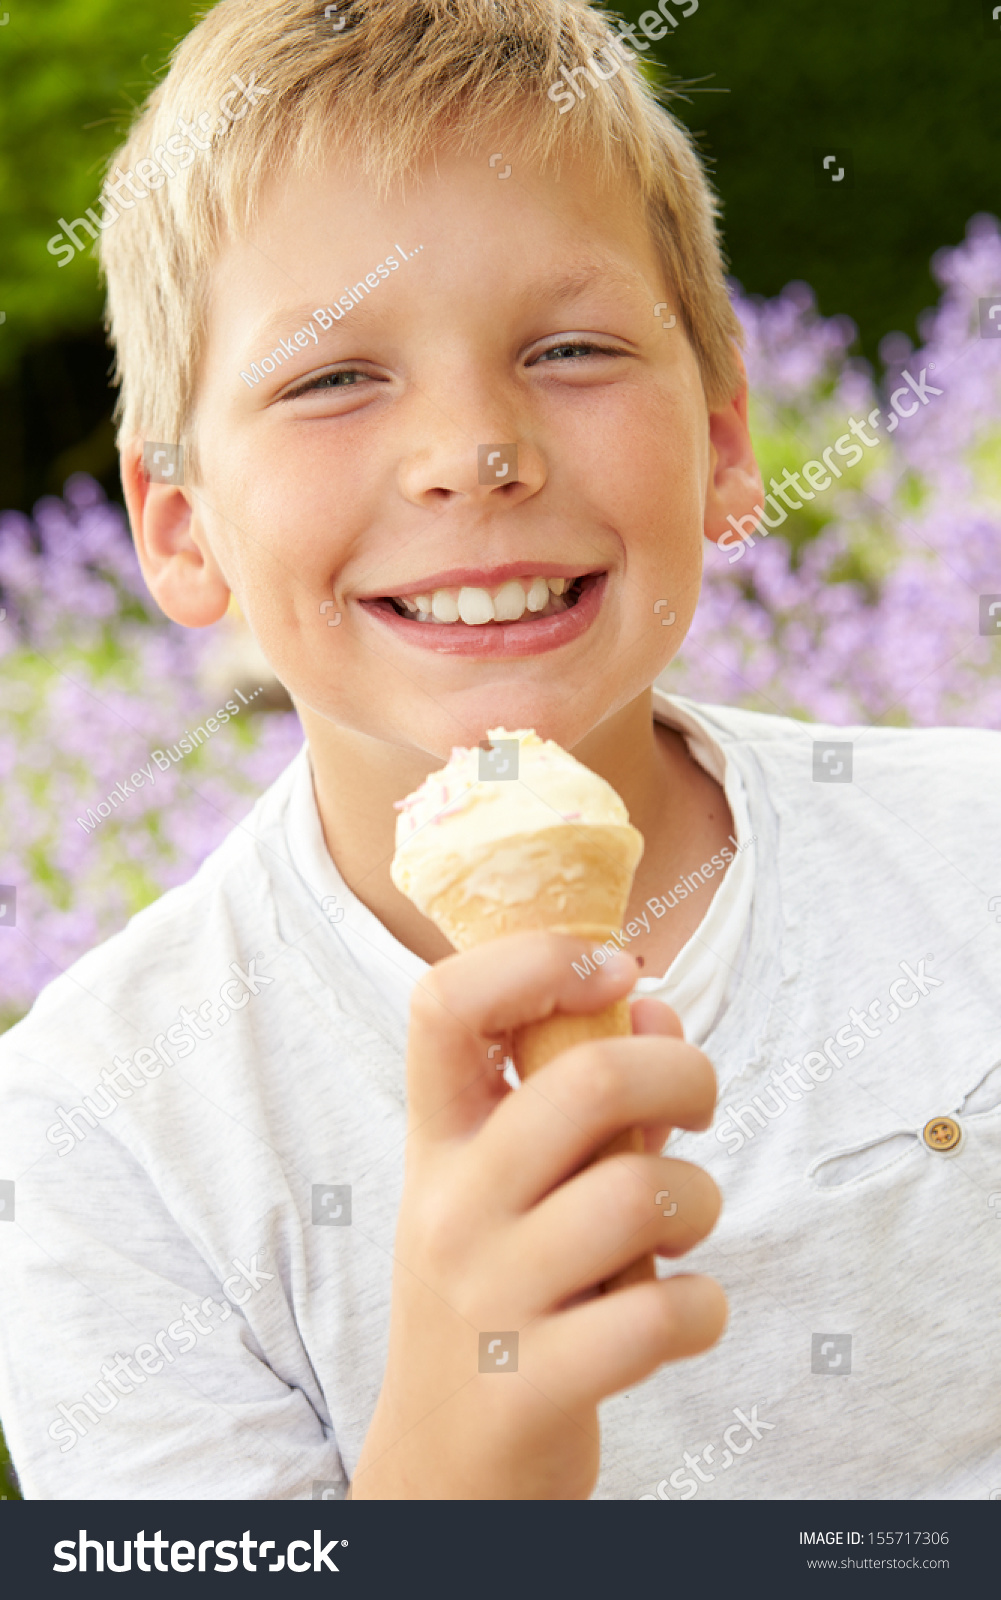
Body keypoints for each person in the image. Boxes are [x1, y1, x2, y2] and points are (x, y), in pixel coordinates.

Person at [1, 0, 998, 1502]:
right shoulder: (101, 1134)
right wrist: (461, 1469)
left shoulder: (971, 858)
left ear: (724, 440)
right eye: (331, 376)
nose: (473, 450)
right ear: (180, 528)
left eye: (572, 346)